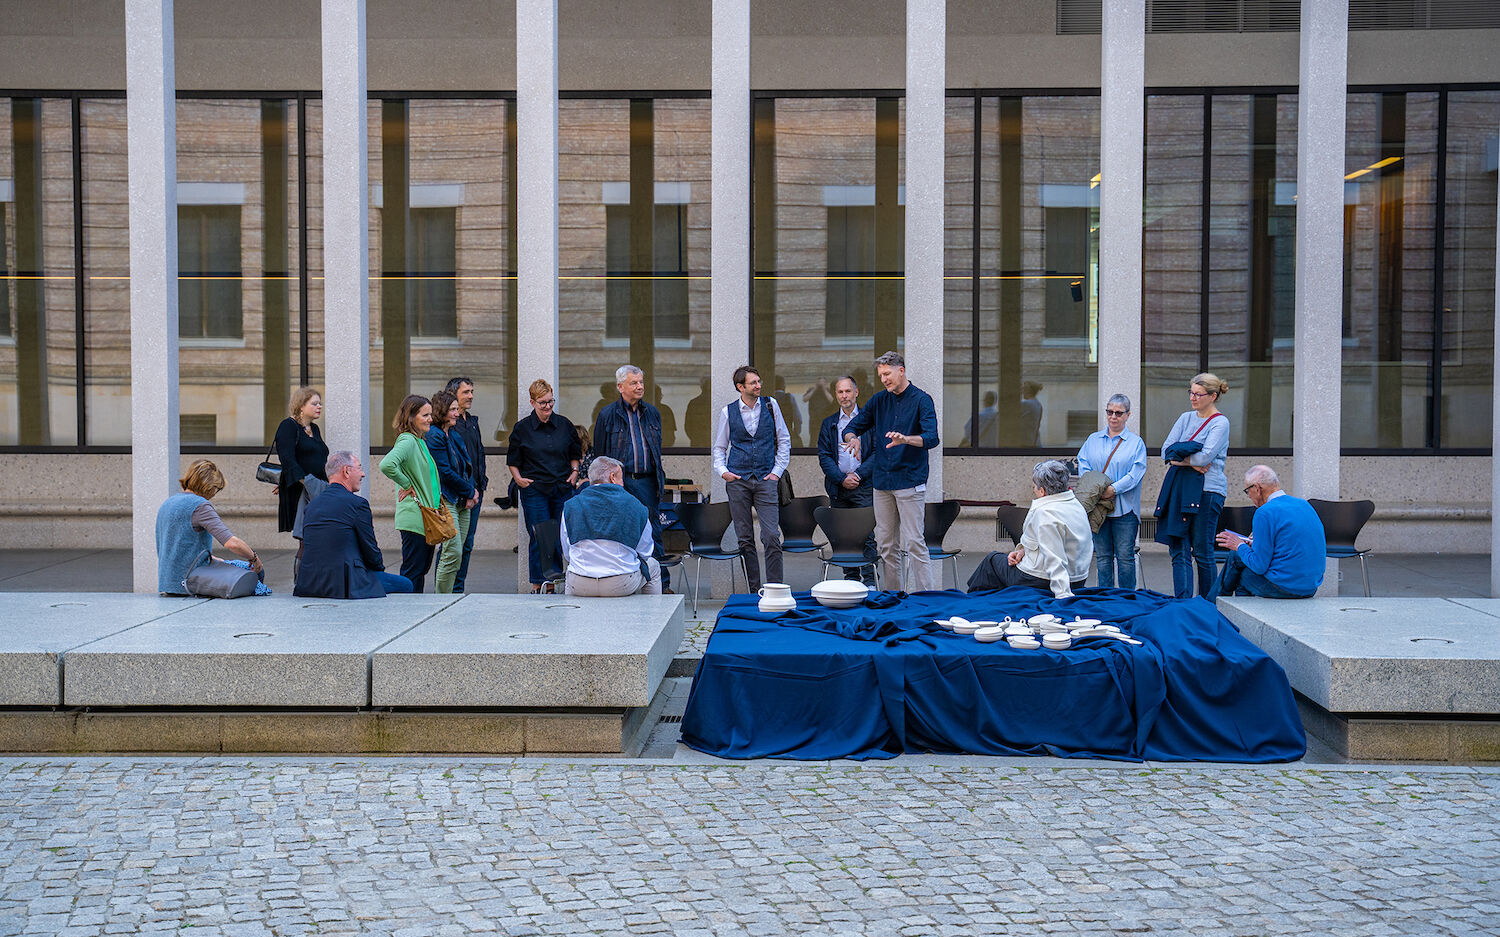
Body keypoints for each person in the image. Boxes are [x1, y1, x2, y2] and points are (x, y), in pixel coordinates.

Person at [840, 351, 940, 592]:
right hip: (882, 482)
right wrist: (852, 438)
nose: (884, 379)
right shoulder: (878, 400)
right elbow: (853, 425)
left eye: (887, 374)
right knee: (886, 545)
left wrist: (906, 439)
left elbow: (931, 438)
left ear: (901, 371)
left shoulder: (921, 399)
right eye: (881, 375)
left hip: (909, 480)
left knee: (915, 543)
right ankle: (894, 596)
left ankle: (927, 599)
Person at [712, 365, 791, 594]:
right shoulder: (728, 412)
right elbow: (719, 447)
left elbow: (784, 440)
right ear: (741, 387)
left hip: (766, 478)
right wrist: (723, 471)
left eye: (759, 381)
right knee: (745, 538)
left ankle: (775, 589)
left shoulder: (771, 405)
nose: (759, 385)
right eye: (753, 382)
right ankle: (754, 590)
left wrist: (776, 472)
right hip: (738, 480)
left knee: (771, 536)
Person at [592, 364, 670, 591]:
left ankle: (660, 584)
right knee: (622, 531)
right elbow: (601, 454)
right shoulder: (608, 414)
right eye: (633, 383)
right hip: (619, 484)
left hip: (647, 481)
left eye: (641, 382)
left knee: (653, 530)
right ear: (620, 386)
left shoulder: (652, 413)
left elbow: (657, 448)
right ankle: (626, 581)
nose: (639, 387)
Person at [294, 451, 413, 598]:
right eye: (359, 468)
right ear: (346, 471)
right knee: (406, 584)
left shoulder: (312, 506)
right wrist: (377, 570)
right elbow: (371, 551)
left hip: (309, 583)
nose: (363, 474)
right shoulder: (358, 504)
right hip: (345, 583)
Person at [966, 460, 1093, 598]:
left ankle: (974, 602)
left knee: (992, 560)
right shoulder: (1076, 505)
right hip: (1078, 578)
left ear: (1042, 491)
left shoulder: (1045, 512)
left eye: (1034, 487)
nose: (1034, 490)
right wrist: (1023, 551)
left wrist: (1063, 595)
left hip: (1041, 580)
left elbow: (1054, 558)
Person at [1155, 372, 1231, 598]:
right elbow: (1165, 451)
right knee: (1178, 547)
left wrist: (1181, 458)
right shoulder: (1185, 418)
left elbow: (1205, 457)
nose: (1193, 398)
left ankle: (1208, 605)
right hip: (1180, 490)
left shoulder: (1220, 422)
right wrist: (1189, 459)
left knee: (1202, 549)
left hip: (1208, 491)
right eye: (1191, 392)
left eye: (1198, 394)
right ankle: (1183, 603)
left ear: (1213, 396)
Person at [1207, 466, 1327, 601]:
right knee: (1243, 562)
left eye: (1248, 491)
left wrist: (1239, 545)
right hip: (1310, 587)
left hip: (1286, 587)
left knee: (1238, 563)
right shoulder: (1304, 505)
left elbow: (1259, 566)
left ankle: (1212, 607)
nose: (1249, 496)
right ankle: (1216, 607)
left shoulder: (1264, 512)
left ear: (1257, 489)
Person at [508, 378, 582, 592]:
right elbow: (513, 461)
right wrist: (519, 480)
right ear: (532, 403)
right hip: (535, 491)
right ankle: (538, 583)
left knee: (560, 535)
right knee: (539, 536)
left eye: (551, 401)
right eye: (543, 403)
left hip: (561, 487)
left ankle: (555, 581)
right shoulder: (522, 428)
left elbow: (575, 453)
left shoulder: (565, 424)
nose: (548, 406)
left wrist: (575, 472)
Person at [155, 459, 268, 596]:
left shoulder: (169, 502)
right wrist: (254, 559)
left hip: (168, 583)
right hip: (190, 581)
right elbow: (232, 543)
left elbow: (177, 549)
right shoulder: (200, 505)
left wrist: (212, 559)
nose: (215, 494)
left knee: (230, 564)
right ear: (209, 486)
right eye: (217, 488)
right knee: (252, 571)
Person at [560, 456, 662, 597]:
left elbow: (567, 551)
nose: (623, 484)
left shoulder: (570, 506)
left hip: (580, 582)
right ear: (613, 477)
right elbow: (645, 552)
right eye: (621, 478)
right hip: (620, 582)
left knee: (572, 570)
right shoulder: (636, 505)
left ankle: (570, 615)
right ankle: (654, 616)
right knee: (653, 566)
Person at [1076, 393, 1148, 589]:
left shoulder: (1135, 443)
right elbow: (1083, 465)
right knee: (1103, 558)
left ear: (1128, 415)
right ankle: (1105, 598)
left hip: (1125, 510)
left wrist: (1114, 489)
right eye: (1110, 412)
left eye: (1118, 413)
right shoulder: (1093, 440)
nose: (1113, 417)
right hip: (1099, 508)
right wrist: (1097, 489)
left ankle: (1126, 599)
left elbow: (1137, 472)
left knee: (1125, 558)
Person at [379, 395, 444, 593]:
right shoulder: (407, 440)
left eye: (430, 415)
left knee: (419, 571)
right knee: (413, 572)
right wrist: (407, 483)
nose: (430, 419)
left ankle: (415, 610)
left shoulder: (419, 441)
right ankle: (407, 611)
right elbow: (386, 464)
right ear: (411, 417)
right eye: (425, 415)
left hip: (425, 516)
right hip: (415, 517)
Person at [816, 374, 877, 584]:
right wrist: (842, 479)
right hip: (838, 489)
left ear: (856, 392)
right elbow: (824, 456)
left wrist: (858, 475)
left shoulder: (869, 422)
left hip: (864, 486)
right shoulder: (829, 423)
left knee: (867, 536)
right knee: (843, 537)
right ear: (836, 394)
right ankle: (851, 581)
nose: (844, 395)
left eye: (848, 391)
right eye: (840, 392)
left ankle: (870, 582)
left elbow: (877, 453)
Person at [272, 386, 329, 582]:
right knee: (307, 537)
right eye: (314, 403)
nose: (319, 406)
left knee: (317, 535)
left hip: (318, 488)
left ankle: (314, 578)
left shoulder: (314, 429)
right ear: (301, 406)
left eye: (320, 403)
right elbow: (287, 458)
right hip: (301, 490)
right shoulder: (288, 426)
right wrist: (306, 481)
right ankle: (301, 581)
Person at [425, 389, 476, 595]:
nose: (457, 413)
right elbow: (444, 472)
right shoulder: (435, 435)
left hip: (462, 500)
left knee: (460, 551)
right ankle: (441, 598)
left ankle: (452, 594)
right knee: (452, 551)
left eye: (457, 409)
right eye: (453, 409)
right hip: (447, 499)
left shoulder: (453, 434)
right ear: (442, 411)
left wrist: (470, 494)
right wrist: (471, 491)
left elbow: (467, 465)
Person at [444, 376, 488, 593]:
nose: (471, 396)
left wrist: (480, 485)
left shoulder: (471, 421)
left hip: (476, 492)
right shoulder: (448, 426)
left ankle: (458, 590)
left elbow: (477, 455)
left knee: (467, 545)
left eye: (472, 391)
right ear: (453, 395)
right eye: (466, 392)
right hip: (456, 494)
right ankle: (445, 591)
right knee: (452, 547)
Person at [1018, 381, 1043, 447]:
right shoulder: (1038, 404)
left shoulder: (1027, 404)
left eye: (1023, 389)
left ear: (1027, 391)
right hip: (1035, 442)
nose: (1022, 392)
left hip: (1027, 443)